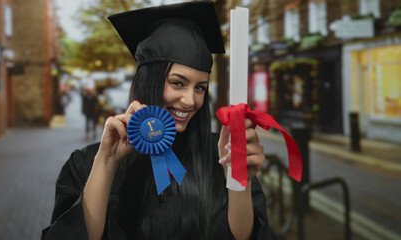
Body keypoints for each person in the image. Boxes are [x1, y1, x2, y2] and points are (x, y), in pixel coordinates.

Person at [41, 1, 277, 239]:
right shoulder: (86, 163)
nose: (190, 100)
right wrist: (106, 161)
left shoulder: (222, 156)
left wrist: (238, 180)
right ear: (148, 81)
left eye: (200, 87)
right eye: (178, 83)